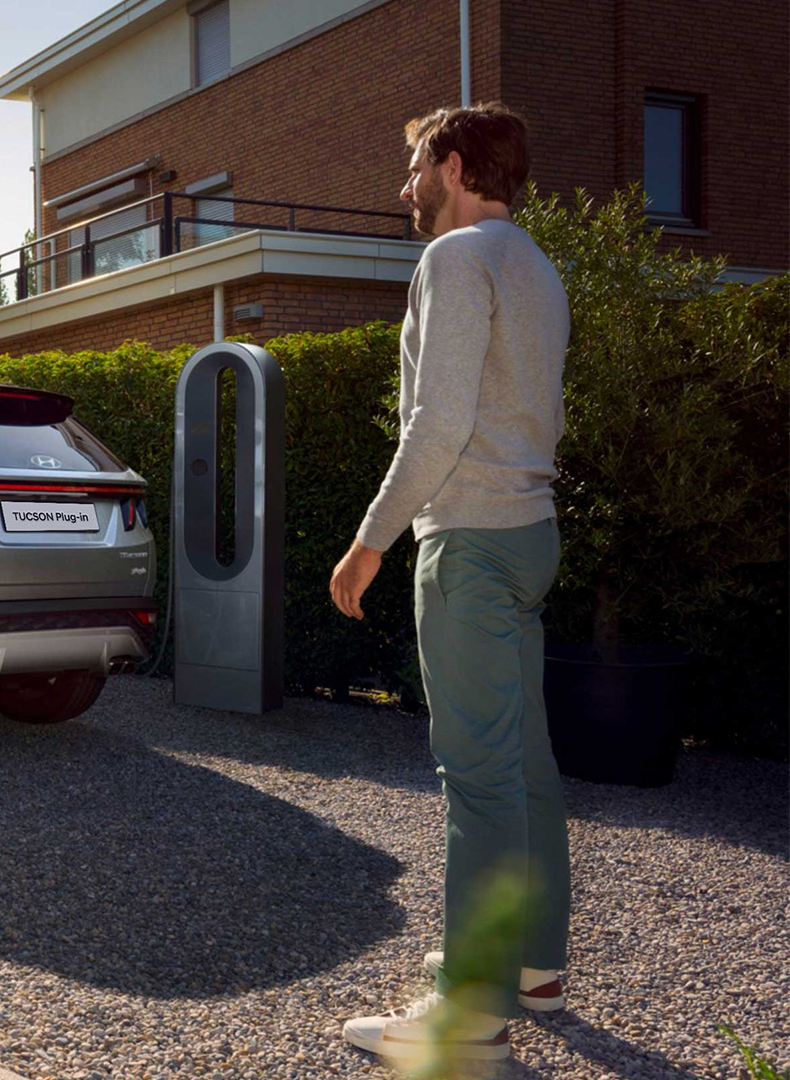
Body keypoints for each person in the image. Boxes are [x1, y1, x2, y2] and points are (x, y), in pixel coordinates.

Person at [330, 103, 570, 1064]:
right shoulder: (538, 266)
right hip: (530, 537)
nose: (405, 189)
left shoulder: (456, 258)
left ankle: (467, 1012)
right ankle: (535, 967)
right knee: (527, 765)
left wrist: (370, 539)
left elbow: (437, 422)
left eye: (417, 167)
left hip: (468, 541)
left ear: (457, 165)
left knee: (475, 777)